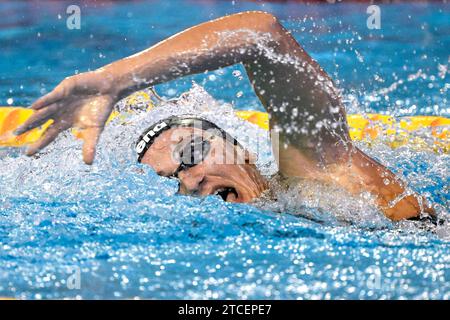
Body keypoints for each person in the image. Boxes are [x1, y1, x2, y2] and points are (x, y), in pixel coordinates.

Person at [15, 11, 435, 221]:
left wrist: (116, 79)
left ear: (241, 150)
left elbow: (261, 34)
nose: (191, 180)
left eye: (194, 152)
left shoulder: (315, 173)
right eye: (171, 180)